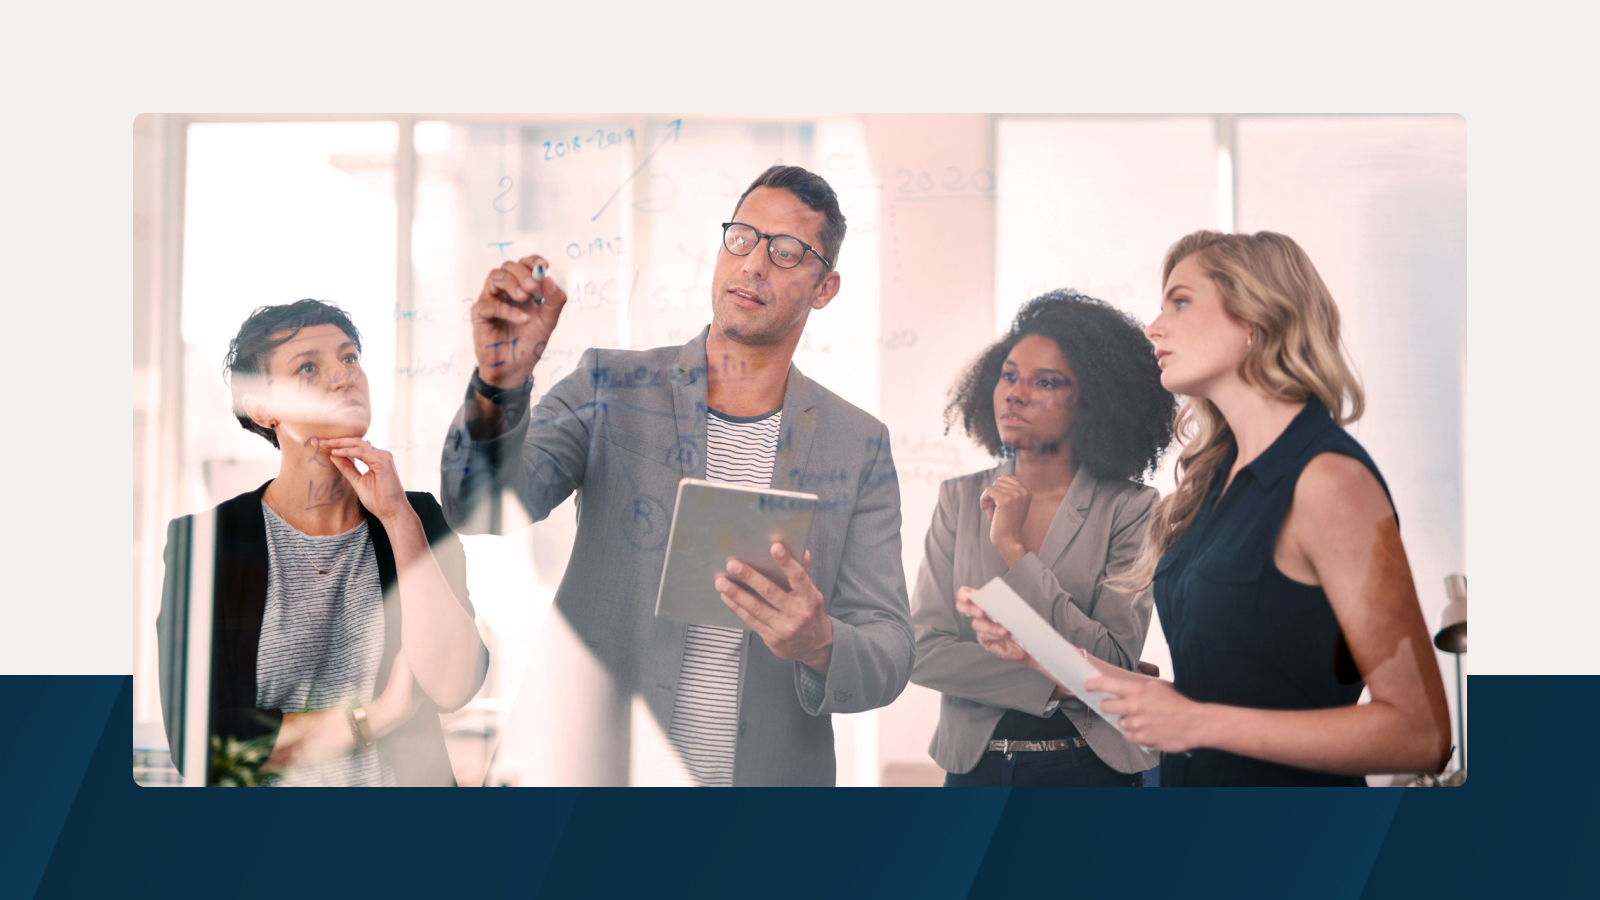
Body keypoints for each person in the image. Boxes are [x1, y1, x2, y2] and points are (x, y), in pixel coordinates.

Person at [440, 165, 912, 787]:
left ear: (825, 288)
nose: (754, 264)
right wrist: (497, 385)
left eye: (786, 252)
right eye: (742, 238)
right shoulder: (609, 386)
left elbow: (891, 647)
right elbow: (477, 507)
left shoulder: (858, 443)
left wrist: (820, 642)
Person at [965, 231, 1453, 786]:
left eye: (1180, 302)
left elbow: (1422, 734)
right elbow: (1196, 706)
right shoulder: (1215, 485)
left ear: (1255, 320)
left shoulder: (1330, 482)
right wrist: (1038, 652)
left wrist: (1198, 722)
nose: (1153, 328)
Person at [158, 300, 489, 786]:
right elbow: (204, 745)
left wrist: (398, 519)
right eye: (308, 367)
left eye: (349, 357)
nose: (342, 376)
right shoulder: (207, 544)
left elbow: (454, 684)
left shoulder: (418, 519)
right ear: (262, 409)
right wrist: (379, 716)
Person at [911, 291, 1174, 786]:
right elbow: (924, 651)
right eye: (1009, 375)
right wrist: (1065, 684)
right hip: (974, 770)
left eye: (1046, 381)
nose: (1016, 393)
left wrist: (1014, 549)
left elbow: (1113, 659)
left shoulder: (1132, 509)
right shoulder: (958, 498)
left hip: (1088, 769)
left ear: (1093, 400)